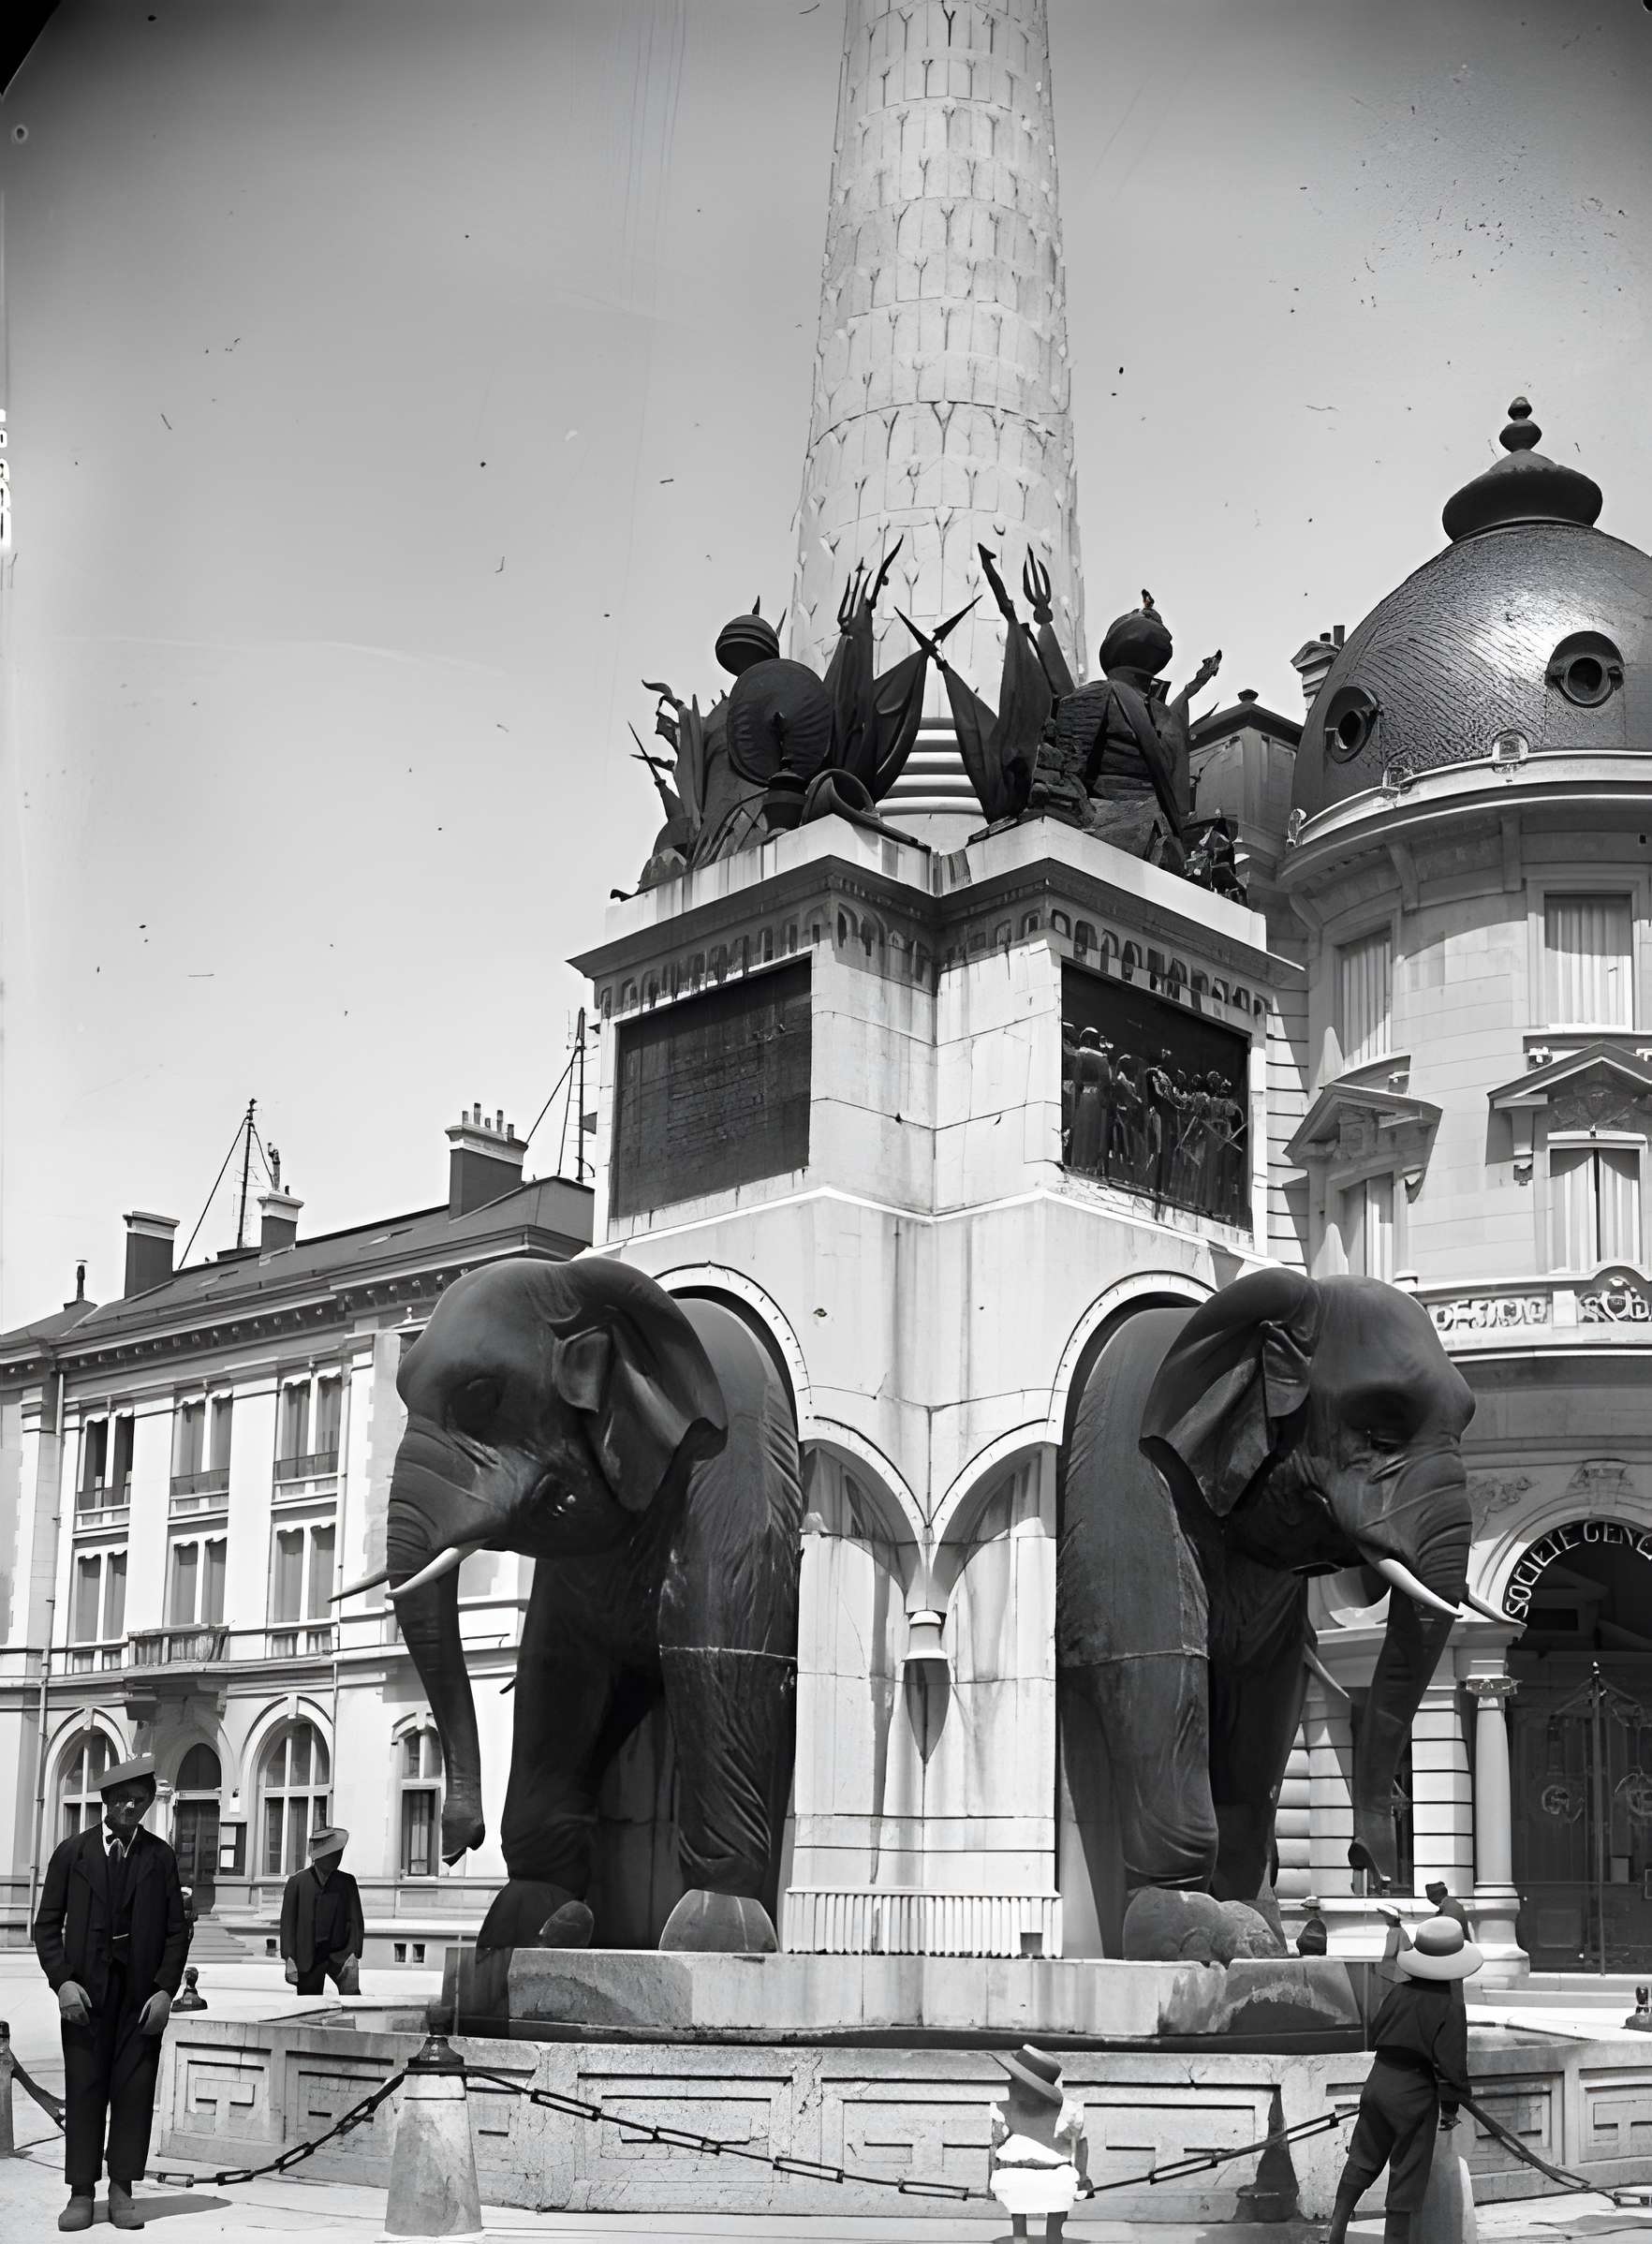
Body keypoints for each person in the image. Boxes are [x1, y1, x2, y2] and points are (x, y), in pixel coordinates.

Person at [33, 1751, 187, 2233]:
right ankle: (81, 2192)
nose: (131, 1809)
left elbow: (176, 1933)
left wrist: (165, 1991)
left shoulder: (159, 1857)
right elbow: (46, 1927)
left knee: (134, 2092)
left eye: (140, 1802)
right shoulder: (72, 1854)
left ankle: (122, 2188)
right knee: (84, 2091)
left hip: (140, 2001)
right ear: (105, 1801)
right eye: (123, 1800)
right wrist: (63, 1983)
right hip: (85, 2000)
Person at [1325, 1915, 1481, 2244]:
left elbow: (1378, 2030)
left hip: (1379, 2080)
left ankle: (1335, 2228)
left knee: (1364, 2157)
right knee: (1406, 2173)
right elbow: (1452, 2064)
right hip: (1413, 2090)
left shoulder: (1398, 1992)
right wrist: (1451, 2108)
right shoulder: (1450, 2005)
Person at [987, 2042, 1089, 2241]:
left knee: (1038, 2208)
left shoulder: (1004, 2110)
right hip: (1044, 2179)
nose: (1008, 2084)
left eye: (1014, 2080)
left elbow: (994, 2146)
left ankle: (1031, 2238)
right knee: (1048, 2203)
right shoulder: (1004, 2109)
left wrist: (989, 2180)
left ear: (1030, 2087)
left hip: (1031, 2178)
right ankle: (1036, 2238)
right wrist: (1083, 2179)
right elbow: (1082, 2145)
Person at [280, 1825, 365, 1997]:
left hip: (340, 1953)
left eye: (339, 1853)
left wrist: (354, 1953)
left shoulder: (347, 1882)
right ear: (320, 1856)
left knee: (352, 1999)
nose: (338, 1857)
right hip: (308, 1955)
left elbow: (356, 1920)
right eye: (333, 1853)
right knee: (308, 2005)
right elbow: (288, 1924)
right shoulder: (297, 1882)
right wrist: (289, 1958)